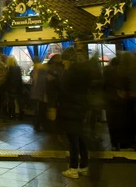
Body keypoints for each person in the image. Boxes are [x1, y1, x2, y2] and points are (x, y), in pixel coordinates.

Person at [58, 48, 91, 179]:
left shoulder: (70, 73)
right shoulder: (83, 72)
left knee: (73, 140)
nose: (63, 63)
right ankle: (84, 166)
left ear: (69, 60)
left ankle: (73, 168)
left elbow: (64, 89)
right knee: (81, 138)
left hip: (70, 108)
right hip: (80, 107)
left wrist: (55, 81)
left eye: (64, 61)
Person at [30, 60, 48, 131]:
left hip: (36, 95)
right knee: (40, 111)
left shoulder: (36, 74)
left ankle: (36, 124)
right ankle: (38, 125)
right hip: (40, 96)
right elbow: (42, 87)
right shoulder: (43, 75)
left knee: (38, 111)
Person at [6, 56, 23, 120]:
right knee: (19, 101)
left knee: (11, 101)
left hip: (11, 87)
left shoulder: (8, 68)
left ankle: (12, 114)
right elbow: (20, 78)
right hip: (18, 86)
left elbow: (7, 79)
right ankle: (21, 114)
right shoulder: (18, 68)